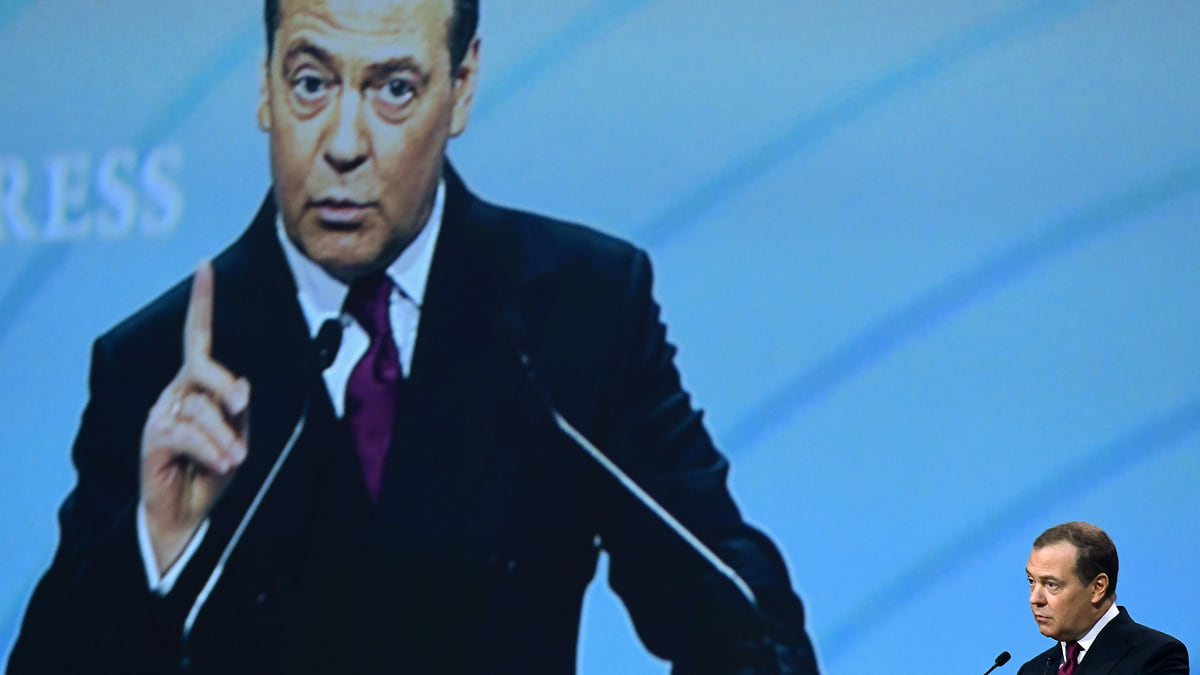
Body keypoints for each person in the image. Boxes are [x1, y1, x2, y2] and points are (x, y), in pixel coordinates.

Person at [6, 0, 820, 672]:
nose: (344, 144)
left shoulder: (578, 310)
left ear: (461, 89)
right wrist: (156, 544)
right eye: (311, 83)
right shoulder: (159, 368)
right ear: (264, 86)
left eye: (394, 89)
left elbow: (741, 619)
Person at [1018, 522, 1188, 675]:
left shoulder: (1156, 656)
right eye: (1031, 581)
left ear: (1097, 587)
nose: (1035, 599)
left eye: (1051, 584)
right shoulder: (1032, 670)